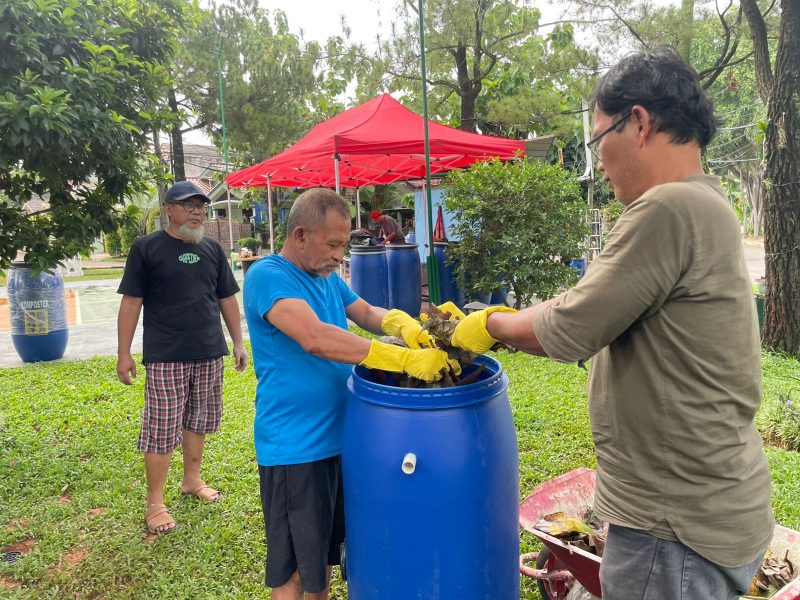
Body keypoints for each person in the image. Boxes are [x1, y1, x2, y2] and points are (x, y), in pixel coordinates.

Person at [449, 48, 774, 600]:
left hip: (674, 528)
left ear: (640, 123)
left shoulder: (667, 208)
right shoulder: (708, 205)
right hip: (712, 507)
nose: (597, 161)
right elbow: (592, 302)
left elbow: (571, 325)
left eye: (598, 140)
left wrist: (488, 324)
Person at [244, 188, 455, 599]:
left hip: (342, 441)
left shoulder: (324, 277)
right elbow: (315, 338)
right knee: (293, 575)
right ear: (301, 234)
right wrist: (399, 359)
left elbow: (366, 312)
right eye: (334, 244)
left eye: (345, 245)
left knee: (321, 566)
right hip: (296, 449)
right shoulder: (269, 277)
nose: (341, 255)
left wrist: (405, 325)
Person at [116, 180, 248, 535]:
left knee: (198, 421)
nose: (196, 210)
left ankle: (192, 480)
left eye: (200, 205)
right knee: (161, 430)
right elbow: (131, 301)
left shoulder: (213, 249)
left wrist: (238, 341)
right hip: (165, 356)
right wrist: (123, 352)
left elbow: (227, 299)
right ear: (169, 210)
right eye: (187, 204)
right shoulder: (146, 249)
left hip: (208, 352)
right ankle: (155, 503)